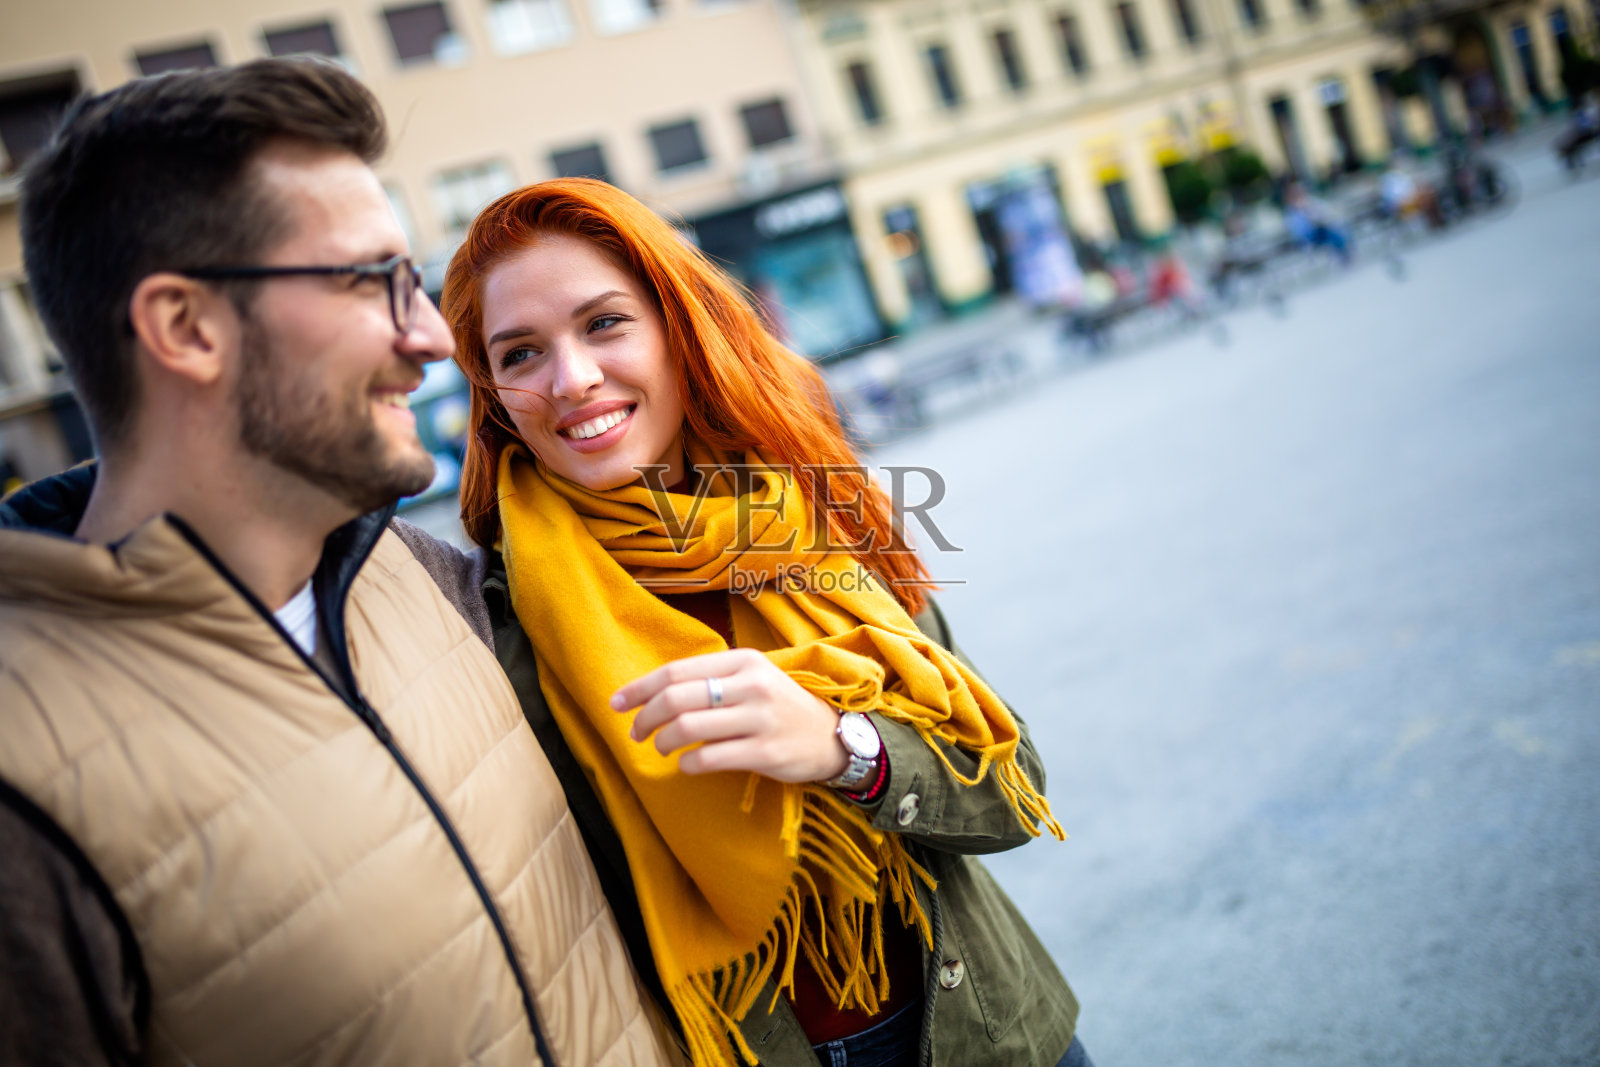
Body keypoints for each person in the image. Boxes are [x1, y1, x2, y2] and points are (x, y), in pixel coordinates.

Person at [0, 61, 680, 1066]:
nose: (433, 338)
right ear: (185, 327)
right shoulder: (23, 785)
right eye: (372, 281)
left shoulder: (432, 580)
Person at [429, 178, 1091, 1067]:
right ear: (495, 391)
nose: (572, 379)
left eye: (605, 323)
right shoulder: (490, 621)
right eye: (520, 352)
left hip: (995, 1039)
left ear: (678, 327)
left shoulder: (815, 514)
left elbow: (1010, 790)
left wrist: (843, 747)